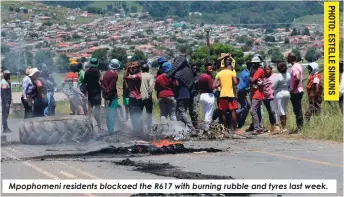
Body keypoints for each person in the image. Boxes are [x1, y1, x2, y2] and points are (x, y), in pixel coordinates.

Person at [213, 56, 243, 134]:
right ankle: (235, 129)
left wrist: (219, 85)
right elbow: (235, 83)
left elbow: (214, 85)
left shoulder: (219, 73)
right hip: (230, 94)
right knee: (233, 111)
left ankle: (225, 129)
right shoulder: (231, 72)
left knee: (223, 112)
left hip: (222, 95)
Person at [167, 55, 195, 132]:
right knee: (184, 110)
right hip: (187, 94)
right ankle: (185, 128)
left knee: (182, 111)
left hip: (181, 94)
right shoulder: (188, 71)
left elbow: (176, 84)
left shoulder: (178, 73)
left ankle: (190, 126)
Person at [100, 59, 120, 134]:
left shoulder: (105, 73)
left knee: (108, 113)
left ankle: (109, 129)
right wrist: (109, 97)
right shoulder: (114, 74)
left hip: (106, 96)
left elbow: (102, 84)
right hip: (112, 97)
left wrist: (106, 96)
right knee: (113, 113)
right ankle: (111, 131)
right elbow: (112, 87)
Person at [124, 61, 143, 137]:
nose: (132, 68)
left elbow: (125, 77)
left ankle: (137, 131)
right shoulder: (138, 75)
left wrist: (127, 69)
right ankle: (138, 131)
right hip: (138, 97)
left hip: (135, 97)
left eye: (134, 67)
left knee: (134, 115)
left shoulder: (137, 76)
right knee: (136, 115)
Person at [83, 58, 102, 130]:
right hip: (97, 92)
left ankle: (86, 126)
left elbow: (84, 82)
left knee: (90, 109)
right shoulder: (97, 71)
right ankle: (99, 127)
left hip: (90, 92)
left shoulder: (87, 71)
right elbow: (100, 80)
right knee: (97, 109)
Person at [287, 52, 304, 131]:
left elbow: (297, 78)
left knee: (297, 110)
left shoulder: (294, 67)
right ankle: (300, 127)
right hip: (300, 90)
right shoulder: (298, 65)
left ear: (290, 58)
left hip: (296, 91)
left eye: (288, 58)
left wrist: (293, 88)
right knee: (298, 109)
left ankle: (300, 127)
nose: (287, 59)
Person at [272, 62, 290, 134]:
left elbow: (273, 86)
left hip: (279, 94)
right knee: (284, 110)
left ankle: (284, 127)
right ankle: (283, 127)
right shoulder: (288, 75)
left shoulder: (278, 76)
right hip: (287, 93)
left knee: (281, 111)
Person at [249, 56, 265, 135]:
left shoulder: (259, 70)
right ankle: (260, 127)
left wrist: (250, 76)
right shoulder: (256, 70)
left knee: (253, 110)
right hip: (254, 93)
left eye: (253, 63)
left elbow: (252, 80)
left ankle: (257, 128)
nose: (252, 65)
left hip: (257, 94)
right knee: (257, 111)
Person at [140, 61, 155, 133]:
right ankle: (149, 129)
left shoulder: (138, 75)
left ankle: (140, 130)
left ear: (141, 69)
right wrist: (149, 94)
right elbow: (151, 87)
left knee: (139, 114)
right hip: (148, 98)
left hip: (139, 97)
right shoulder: (150, 76)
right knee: (149, 114)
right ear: (148, 69)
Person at [199, 63, 215, 130]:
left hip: (202, 95)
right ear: (206, 68)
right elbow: (211, 87)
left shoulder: (201, 76)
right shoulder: (208, 77)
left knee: (204, 112)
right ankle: (207, 128)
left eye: (211, 69)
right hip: (209, 95)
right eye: (209, 69)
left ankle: (203, 127)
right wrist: (216, 84)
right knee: (209, 113)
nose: (211, 70)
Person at [262, 65, 278, 133]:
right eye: (265, 69)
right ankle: (272, 126)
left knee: (273, 111)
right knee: (269, 112)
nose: (267, 70)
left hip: (272, 97)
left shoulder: (275, 76)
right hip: (265, 97)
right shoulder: (262, 78)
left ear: (271, 70)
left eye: (268, 69)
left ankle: (277, 126)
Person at [235, 64, 250, 128]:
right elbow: (246, 86)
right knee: (245, 107)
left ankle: (241, 121)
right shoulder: (248, 74)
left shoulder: (242, 72)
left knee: (247, 107)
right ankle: (233, 114)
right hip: (240, 92)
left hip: (237, 90)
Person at [1, 69, 12, 133]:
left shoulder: (6, 82)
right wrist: (6, 103)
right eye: (7, 75)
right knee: (5, 115)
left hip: (7, 101)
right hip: (6, 101)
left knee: (6, 114)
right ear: (5, 75)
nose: (9, 76)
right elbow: (3, 94)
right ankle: (5, 128)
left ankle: (6, 127)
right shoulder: (4, 83)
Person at [189, 65, 200, 129]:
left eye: (195, 68)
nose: (194, 70)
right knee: (190, 111)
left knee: (194, 110)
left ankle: (196, 124)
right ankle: (193, 124)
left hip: (195, 95)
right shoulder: (189, 76)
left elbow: (195, 82)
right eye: (193, 68)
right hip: (189, 95)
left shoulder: (197, 77)